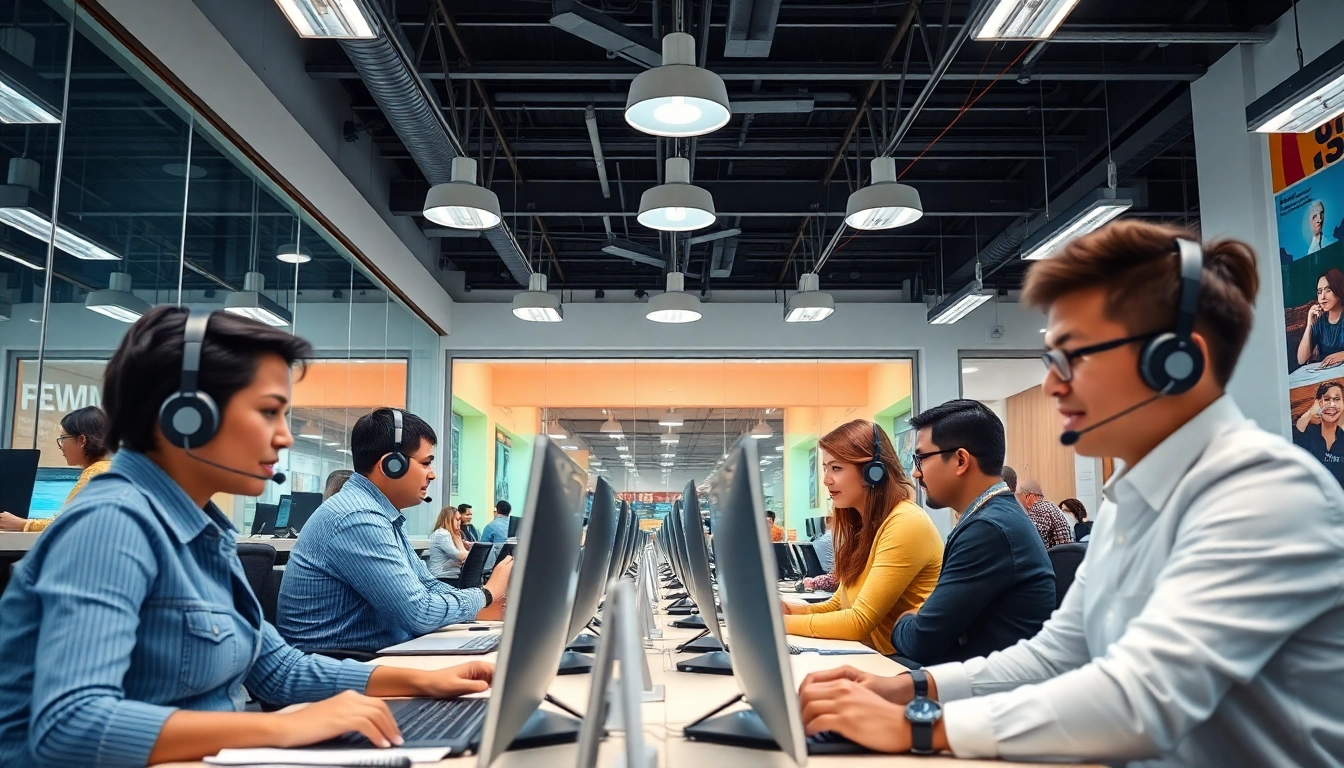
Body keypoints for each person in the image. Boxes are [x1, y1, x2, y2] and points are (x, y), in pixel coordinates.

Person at [797, 221, 1344, 765]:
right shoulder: (1131, 504)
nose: (1052, 384)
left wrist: (922, 727)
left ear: (1177, 362)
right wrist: (909, 691)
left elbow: (1142, 699)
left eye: (1072, 356)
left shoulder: (1263, 498)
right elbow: (1059, 654)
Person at [0, 308, 495, 766]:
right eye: (268, 412)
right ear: (186, 415)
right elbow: (71, 726)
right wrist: (274, 731)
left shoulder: (204, 529)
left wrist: (421, 680)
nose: (285, 436)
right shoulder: (110, 524)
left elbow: (276, 669)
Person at [278, 408, 511, 653]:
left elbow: (428, 585)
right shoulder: (357, 517)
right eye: (425, 463)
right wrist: (486, 594)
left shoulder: (381, 515)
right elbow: (419, 612)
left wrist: (478, 604)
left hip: (371, 656)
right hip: (344, 666)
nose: (432, 474)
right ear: (391, 465)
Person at [888, 401, 1055, 667]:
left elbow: (922, 641)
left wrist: (902, 620)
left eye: (920, 459)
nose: (915, 472)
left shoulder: (988, 529)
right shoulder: (994, 518)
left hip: (984, 693)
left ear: (961, 460)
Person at [781, 420, 943, 655]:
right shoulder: (865, 525)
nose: (826, 479)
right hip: (871, 658)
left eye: (836, 468)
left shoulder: (906, 522)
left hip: (898, 667)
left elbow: (859, 622)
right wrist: (787, 610)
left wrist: (777, 625)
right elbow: (838, 604)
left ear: (873, 473)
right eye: (825, 468)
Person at [0, 406, 112, 532]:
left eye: (63, 438)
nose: (61, 446)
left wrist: (22, 524)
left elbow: (65, 522)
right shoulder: (109, 468)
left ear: (81, 440)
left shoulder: (95, 472)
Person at [1294, 380, 1344, 487]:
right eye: (1326, 399)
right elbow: (1297, 430)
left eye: (1337, 399)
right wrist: (1313, 410)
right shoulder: (1309, 432)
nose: (1332, 405)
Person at [1296, 267, 1344, 368]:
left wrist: (1342, 355)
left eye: (1328, 290)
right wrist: (1309, 324)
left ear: (1338, 290)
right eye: (1319, 291)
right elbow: (1301, 359)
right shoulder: (1320, 321)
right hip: (1327, 377)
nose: (1322, 297)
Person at [1014, 479, 1074, 549]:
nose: (1018, 501)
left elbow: (1035, 540)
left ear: (1029, 496)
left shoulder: (1039, 509)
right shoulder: (1049, 506)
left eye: (1019, 496)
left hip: (1054, 556)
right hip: (1062, 554)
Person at [428, 505, 470, 580]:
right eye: (457, 520)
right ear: (448, 520)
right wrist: (459, 540)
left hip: (450, 576)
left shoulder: (449, 534)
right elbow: (460, 556)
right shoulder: (442, 534)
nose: (459, 523)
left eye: (460, 520)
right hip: (441, 577)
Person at [478, 499, 512, 569]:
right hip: (512, 562)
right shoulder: (514, 524)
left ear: (497, 510)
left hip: (495, 566)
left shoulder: (490, 526)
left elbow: (482, 548)